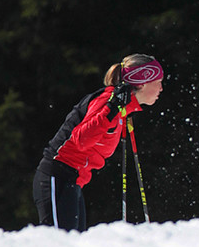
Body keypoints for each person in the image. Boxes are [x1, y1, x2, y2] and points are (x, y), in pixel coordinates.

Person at [33, 54, 164, 231]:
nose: (161, 88)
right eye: (158, 81)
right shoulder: (107, 100)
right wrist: (112, 109)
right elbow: (81, 139)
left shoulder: (120, 109)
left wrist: (120, 109)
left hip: (72, 181)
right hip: (57, 175)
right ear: (142, 82)